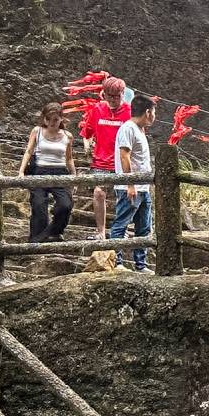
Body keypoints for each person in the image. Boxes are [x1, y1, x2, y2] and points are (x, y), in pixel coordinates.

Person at [78, 77, 134, 234]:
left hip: (122, 160)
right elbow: (86, 133)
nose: (114, 100)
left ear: (123, 94)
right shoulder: (97, 110)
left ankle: (121, 229)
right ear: (104, 94)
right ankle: (101, 231)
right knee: (98, 193)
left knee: (125, 195)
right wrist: (87, 147)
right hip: (101, 160)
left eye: (118, 96)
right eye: (111, 96)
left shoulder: (130, 112)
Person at [107, 96, 157, 271]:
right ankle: (116, 261)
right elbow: (124, 156)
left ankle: (140, 265)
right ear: (147, 112)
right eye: (154, 111)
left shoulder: (139, 130)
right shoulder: (128, 128)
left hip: (143, 187)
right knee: (121, 224)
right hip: (130, 187)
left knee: (144, 227)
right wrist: (130, 184)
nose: (154, 116)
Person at [20, 102, 78, 242]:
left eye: (55, 119)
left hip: (60, 172)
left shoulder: (67, 136)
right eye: (48, 119)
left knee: (65, 205)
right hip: (40, 170)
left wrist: (74, 177)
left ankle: (52, 232)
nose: (51, 123)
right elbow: (29, 151)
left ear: (61, 119)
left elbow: (69, 159)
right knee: (39, 204)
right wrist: (21, 171)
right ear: (44, 119)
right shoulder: (37, 131)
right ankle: (36, 237)